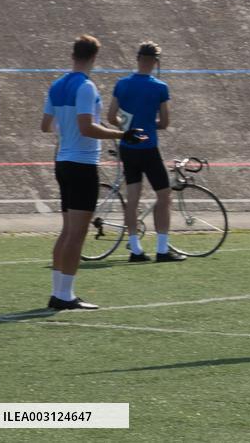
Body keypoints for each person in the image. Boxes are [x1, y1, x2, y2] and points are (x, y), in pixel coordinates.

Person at [41, 35, 147, 310]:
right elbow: (87, 127)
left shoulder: (56, 84)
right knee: (76, 234)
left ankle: (58, 293)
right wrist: (123, 134)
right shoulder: (85, 86)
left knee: (67, 231)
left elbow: (46, 125)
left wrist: (68, 132)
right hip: (81, 165)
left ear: (73, 54)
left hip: (63, 163)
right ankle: (65, 296)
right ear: (94, 57)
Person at [107, 41, 184, 263]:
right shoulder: (160, 87)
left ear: (138, 59)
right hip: (148, 147)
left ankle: (135, 248)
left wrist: (127, 125)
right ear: (155, 62)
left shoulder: (122, 84)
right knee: (163, 195)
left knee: (132, 198)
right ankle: (161, 248)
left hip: (128, 146)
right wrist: (150, 124)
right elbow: (166, 122)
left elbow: (112, 117)